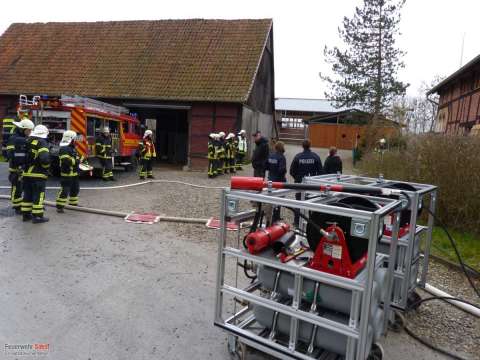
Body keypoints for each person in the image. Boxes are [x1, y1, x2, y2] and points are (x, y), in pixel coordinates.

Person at [289, 140, 323, 226]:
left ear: (302, 146)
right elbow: (321, 172)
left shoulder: (297, 157)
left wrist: (297, 178)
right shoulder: (315, 157)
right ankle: (313, 223)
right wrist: (315, 180)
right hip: (312, 186)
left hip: (299, 184)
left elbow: (292, 171)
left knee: (298, 203)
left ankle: (297, 222)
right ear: (310, 145)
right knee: (312, 204)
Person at [22, 124, 50, 223]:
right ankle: (38, 216)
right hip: (38, 174)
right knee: (39, 195)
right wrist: (46, 168)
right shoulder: (42, 142)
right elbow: (45, 159)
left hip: (26, 173)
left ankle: (26, 215)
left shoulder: (28, 141)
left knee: (27, 195)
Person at [5, 118, 35, 214]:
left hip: (23, 167)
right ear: (22, 129)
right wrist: (18, 165)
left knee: (23, 187)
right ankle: (17, 206)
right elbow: (10, 154)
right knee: (16, 187)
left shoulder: (24, 138)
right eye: (28, 130)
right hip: (15, 168)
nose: (30, 132)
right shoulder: (14, 139)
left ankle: (23, 205)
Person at [56, 130, 81, 213]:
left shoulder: (72, 148)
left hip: (74, 173)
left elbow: (78, 158)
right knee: (65, 190)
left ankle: (73, 204)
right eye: (74, 139)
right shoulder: (64, 149)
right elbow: (66, 160)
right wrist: (77, 161)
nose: (75, 141)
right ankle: (60, 206)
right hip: (66, 173)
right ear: (70, 139)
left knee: (75, 189)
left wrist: (83, 162)